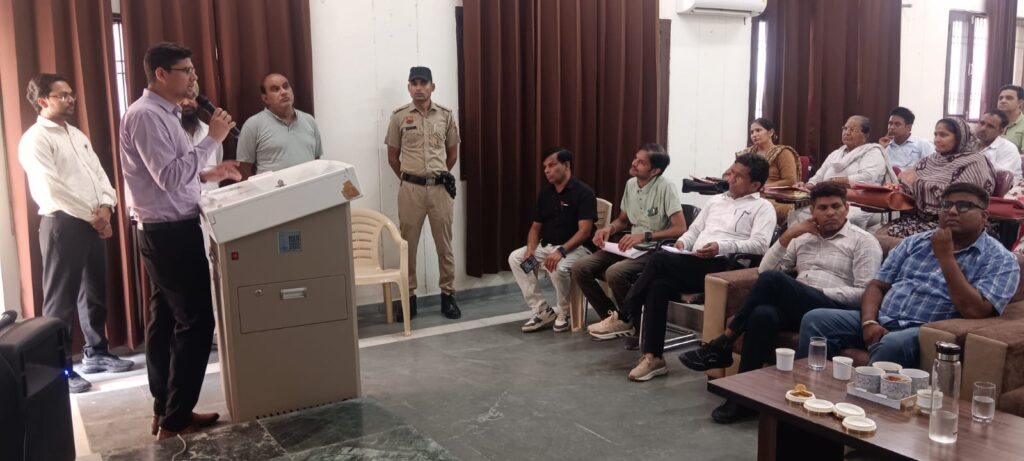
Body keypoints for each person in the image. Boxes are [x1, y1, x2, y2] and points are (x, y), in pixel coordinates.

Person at [679, 182, 883, 423]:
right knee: (762, 314)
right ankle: (743, 399)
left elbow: (864, 293)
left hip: (833, 310)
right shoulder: (802, 237)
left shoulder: (863, 241)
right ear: (813, 211)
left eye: (836, 206)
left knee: (774, 280)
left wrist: (816, 291)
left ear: (846, 208)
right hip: (800, 306)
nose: (830, 213)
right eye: (823, 208)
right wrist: (787, 236)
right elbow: (763, 271)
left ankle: (723, 342)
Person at [119, 42, 241, 439]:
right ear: (160, 74)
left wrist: (208, 174)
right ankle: (176, 419)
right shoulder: (146, 116)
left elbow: (169, 171)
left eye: (192, 70)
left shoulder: (165, 114)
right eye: (185, 70)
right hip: (168, 235)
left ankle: (168, 408)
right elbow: (168, 178)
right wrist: (212, 139)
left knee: (165, 322)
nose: (193, 78)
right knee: (196, 321)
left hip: (169, 230)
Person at [800, 183, 1019, 368]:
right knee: (816, 319)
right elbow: (877, 285)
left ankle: (866, 404)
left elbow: (976, 311)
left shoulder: (1000, 259)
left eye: (963, 206)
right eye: (946, 205)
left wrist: (946, 258)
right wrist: (868, 322)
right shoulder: (915, 242)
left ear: (984, 216)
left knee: (892, 344)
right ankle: (809, 390)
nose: (952, 211)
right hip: (884, 318)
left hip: (924, 330)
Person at [18, 74, 133, 394]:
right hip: (62, 223)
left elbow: (98, 174)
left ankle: (96, 352)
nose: (71, 99)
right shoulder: (35, 139)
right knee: (60, 302)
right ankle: (58, 371)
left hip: (93, 220)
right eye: (63, 95)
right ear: (43, 101)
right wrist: (94, 217)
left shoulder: (76, 134)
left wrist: (107, 206)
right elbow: (52, 187)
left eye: (71, 94)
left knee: (94, 291)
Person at [625, 153, 776, 382]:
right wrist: (682, 243)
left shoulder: (762, 208)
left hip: (725, 267)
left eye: (738, 176)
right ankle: (653, 357)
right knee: (658, 285)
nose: (730, 179)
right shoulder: (716, 201)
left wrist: (721, 246)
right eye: (731, 173)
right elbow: (694, 231)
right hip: (695, 261)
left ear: (755, 185)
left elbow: (760, 244)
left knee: (658, 260)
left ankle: (626, 313)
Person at [570, 144, 686, 340]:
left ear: (655, 171)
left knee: (615, 272)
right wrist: (609, 229)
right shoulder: (631, 184)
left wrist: (644, 236)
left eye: (641, 162)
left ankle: (637, 323)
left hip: (654, 249)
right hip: (629, 247)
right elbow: (622, 220)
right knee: (580, 267)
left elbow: (680, 228)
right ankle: (615, 317)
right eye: (635, 158)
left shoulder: (666, 187)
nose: (634, 163)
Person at [385, 66, 462, 320]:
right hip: (411, 191)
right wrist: (411, 179)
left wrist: (438, 175)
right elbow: (393, 157)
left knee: (444, 245)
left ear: (432, 87)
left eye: (423, 83)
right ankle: (408, 298)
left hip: (440, 190)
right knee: (407, 246)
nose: (419, 87)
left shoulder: (446, 115)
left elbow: (452, 153)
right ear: (409, 87)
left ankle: (448, 296)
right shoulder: (399, 116)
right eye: (414, 83)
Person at [508, 147, 597, 333]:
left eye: (552, 165)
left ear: (566, 165)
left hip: (577, 249)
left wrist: (561, 251)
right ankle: (542, 310)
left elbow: (584, 232)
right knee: (517, 259)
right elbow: (535, 227)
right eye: (545, 167)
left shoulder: (583, 192)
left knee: (558, 266)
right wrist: (530, 250)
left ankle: (565, 312)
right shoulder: (545, 193)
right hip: (547, 247)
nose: (547, 170)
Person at [882, 118, 995, 238]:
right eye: (935, 134)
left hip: (954, 222)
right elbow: (905, 179)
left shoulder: (975, 161)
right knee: (879, 235)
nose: (937, 139)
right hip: (919, 218)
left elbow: (962, 198)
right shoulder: (932, 159)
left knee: (890, 239)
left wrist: (918, 183)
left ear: (960, 138)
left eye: (943, 135)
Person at [790, 116, 897, 229]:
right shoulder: (836, 154)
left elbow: (867, 178)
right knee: (798, 216)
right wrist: (806, 186)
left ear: (865, 136)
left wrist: (835, 182)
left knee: (845, 217)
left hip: (861, 203)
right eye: (845, 128)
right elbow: (818, 177)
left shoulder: (873, 152)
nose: (847, 132)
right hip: (829, 201)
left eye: (852, 130)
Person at [236, 73, 323, 179]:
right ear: (265, 98)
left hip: (309, 187)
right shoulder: (252, 125)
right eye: (276, 89)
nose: (284, 92)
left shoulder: (309, 120)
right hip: (272, 189)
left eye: (286, 86)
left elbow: (317, 159)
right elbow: (244, 168)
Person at [734, 118, 800, 223]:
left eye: (758, 130)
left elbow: (790, 181)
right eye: (752, 132)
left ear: (770, 132)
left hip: (774, 197)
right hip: (748, 193)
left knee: (753, 208)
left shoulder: (783, 152)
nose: (754, 135)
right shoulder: (746, 154)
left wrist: (762, 187)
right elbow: (731, 174)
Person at [179, 82, 225, 192]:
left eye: (190, 97)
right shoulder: (169, 134)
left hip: (214, 199)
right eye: (180, 98)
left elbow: (218, 163)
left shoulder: (211, 131)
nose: (186, 103)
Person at [976, 109, 1022, 180]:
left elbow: (997, 178)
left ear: (1001, 131)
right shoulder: (970, 143)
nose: (983, 128)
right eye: (982, 123)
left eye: (990, 126)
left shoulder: (1008, 149)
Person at [997, 84, 1024, 152]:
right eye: (1000, 98)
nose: (1003, 101)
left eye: (1009, 98)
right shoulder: (992, 121)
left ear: (1020, 103)